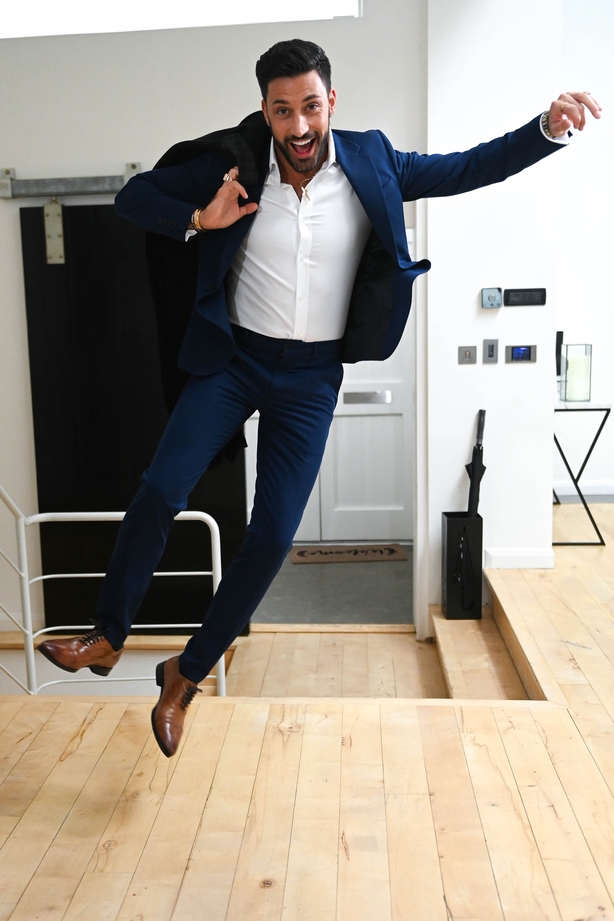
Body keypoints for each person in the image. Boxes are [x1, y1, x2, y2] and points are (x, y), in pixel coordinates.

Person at [38, 40, 601, 757]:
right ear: (266, 112)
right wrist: (198, 221)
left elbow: (467, 168)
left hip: (309, 379)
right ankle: (108, 633)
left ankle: (186, 671)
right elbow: (134, 195)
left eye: (310, 105)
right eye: (282, 110)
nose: (298, 125)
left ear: (331, 101)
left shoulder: (374, 163)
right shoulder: (233, 164)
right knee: (159, 489)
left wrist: (546, 129)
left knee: (272, 536)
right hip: (233, 361)